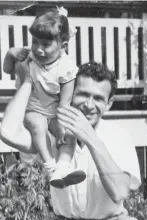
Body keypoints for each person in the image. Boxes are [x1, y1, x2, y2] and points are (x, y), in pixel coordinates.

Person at [0, 58, 147, 220]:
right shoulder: (53, 131)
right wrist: (28, 80)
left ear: (109, 103)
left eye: (98, 98)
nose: (89, 105)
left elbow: (120, 192)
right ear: (70, 94)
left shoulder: (119, 137)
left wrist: (90, 137)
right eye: (83, 95)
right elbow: (7, 132)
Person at [3, 6, 86, 188]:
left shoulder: (67, 67)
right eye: (35, 42)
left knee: (69, 132)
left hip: (55, 111)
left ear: (63, 46)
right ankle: (50, 167)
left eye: (46, 44)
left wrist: (62, 128)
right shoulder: (29, 56)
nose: (39, 49)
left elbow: (65, 102)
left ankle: (64, 166)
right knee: (37, 124)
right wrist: (10, 54)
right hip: (32, 108)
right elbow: (7, 69)